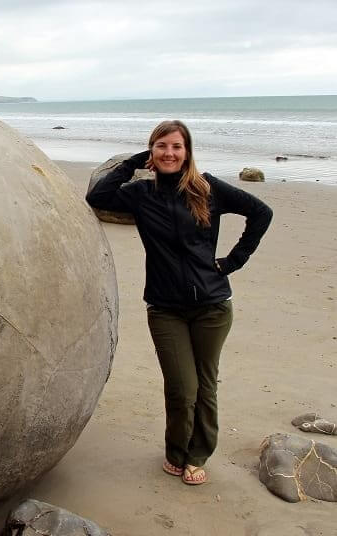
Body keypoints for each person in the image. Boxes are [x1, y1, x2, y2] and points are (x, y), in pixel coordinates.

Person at [86, 120, 272, 485]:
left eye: (176, 147)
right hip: (165, 307)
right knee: (181, 388)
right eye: (161, 146)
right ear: (152, 152)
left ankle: (197, 455)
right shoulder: (140, 194)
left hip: (213, 306)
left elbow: (261, 213)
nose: (169, 153)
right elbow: (98, 197)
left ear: (187, 152)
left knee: (205, 385)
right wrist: (135, 161)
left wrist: (233, 261)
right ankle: (175, 451)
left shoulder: (208, 189)